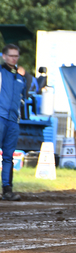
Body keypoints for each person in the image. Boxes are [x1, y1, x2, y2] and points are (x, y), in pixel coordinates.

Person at [0, 44, 26, 201]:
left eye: (16, 56)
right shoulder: (1, 73)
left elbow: (23, 97)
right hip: (0, 117)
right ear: (4, 56)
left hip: (13, 121)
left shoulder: (20, 77)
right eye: (11, 56)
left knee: (9, 156)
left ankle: (7, 190)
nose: (13, 58)